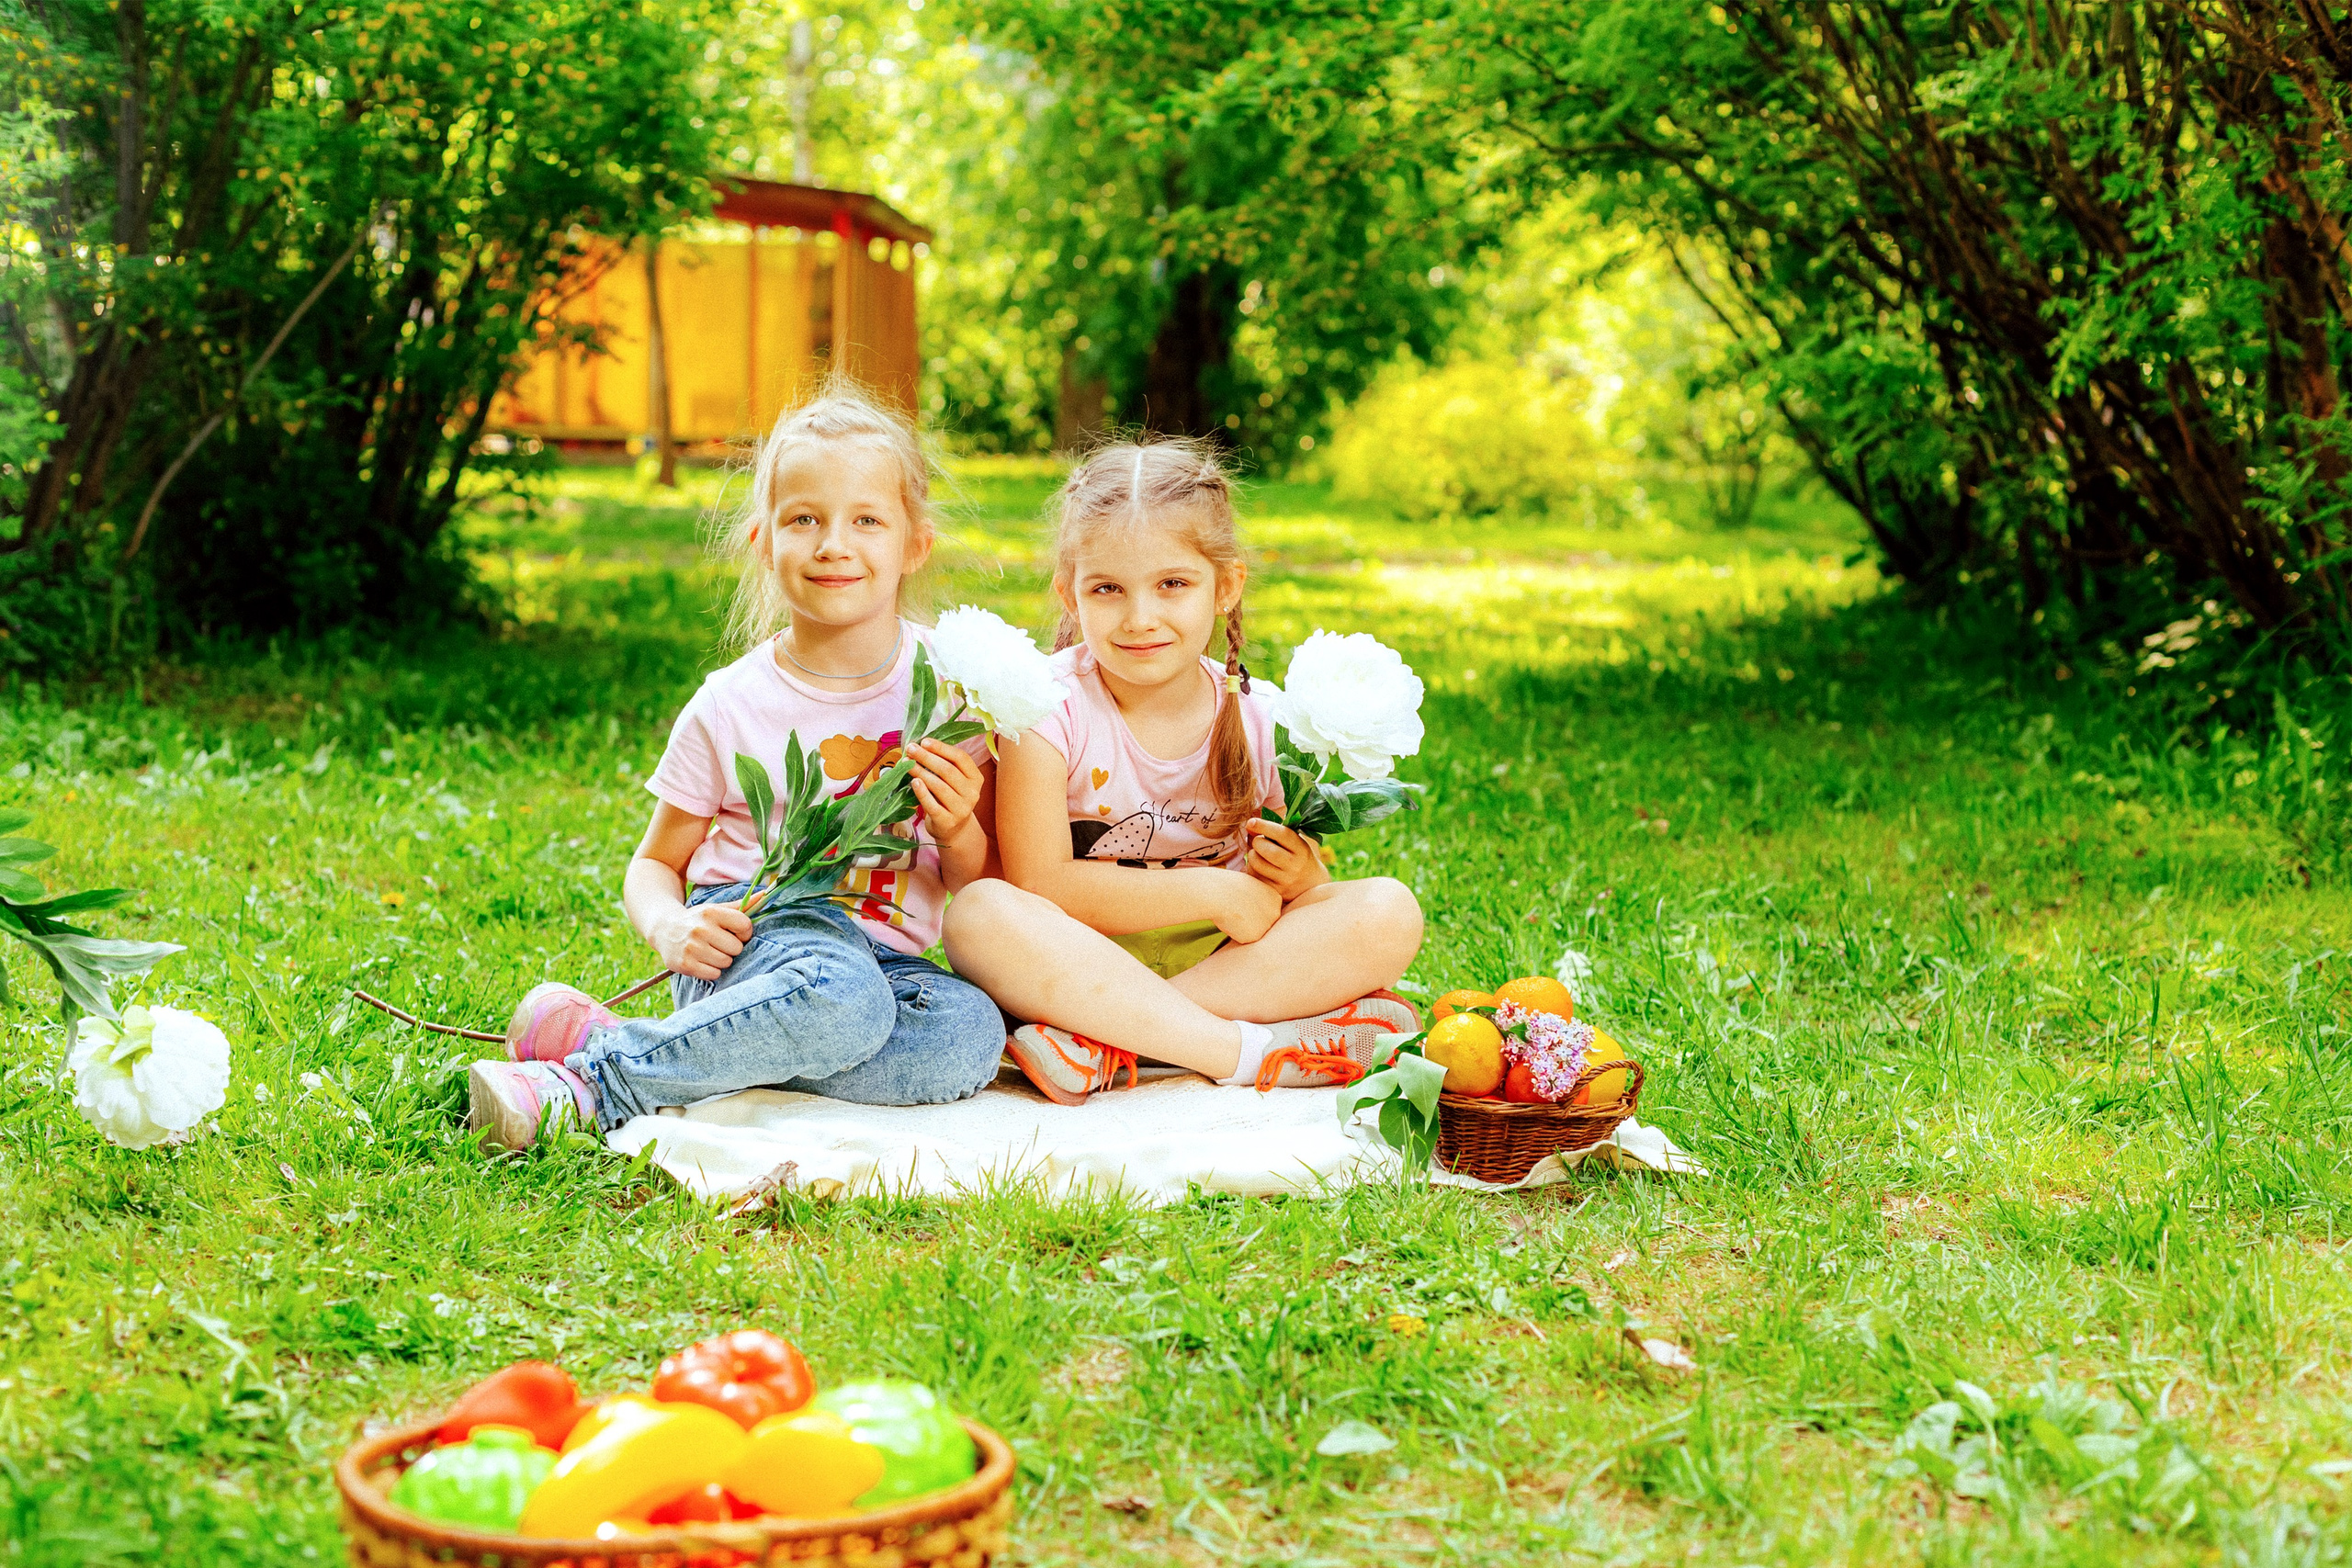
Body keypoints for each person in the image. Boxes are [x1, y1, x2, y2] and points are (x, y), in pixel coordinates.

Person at [466, 381, 1005, 1150]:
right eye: (805, 519)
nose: (833, 544)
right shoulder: (730, 704)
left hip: (888, 963)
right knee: (845, 1003)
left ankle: (662, 1042)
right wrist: (671, 927)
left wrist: (955, 829)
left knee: (968, 1036)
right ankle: (593, 1081)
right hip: (752, 939)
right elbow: (654, 862)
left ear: (914, 543)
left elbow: (974, 882)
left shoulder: (951, 690)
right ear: (763, 538)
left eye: (867, 520)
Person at [944, 438, 1425, 1102]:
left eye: (1172, 584)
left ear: (1225, 586)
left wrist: (1303, 875)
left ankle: (1103, 1042)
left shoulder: (1264, 720)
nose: (1140, 618)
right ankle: (1244, 1049)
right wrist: (1210, 891)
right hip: (1076, 959)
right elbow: (1039, 881)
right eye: (1107, 589)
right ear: (1068, 592)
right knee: (978, 914)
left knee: (1388, 910)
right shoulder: (1045, 706)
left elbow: (1281, 900)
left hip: (1223, 965)